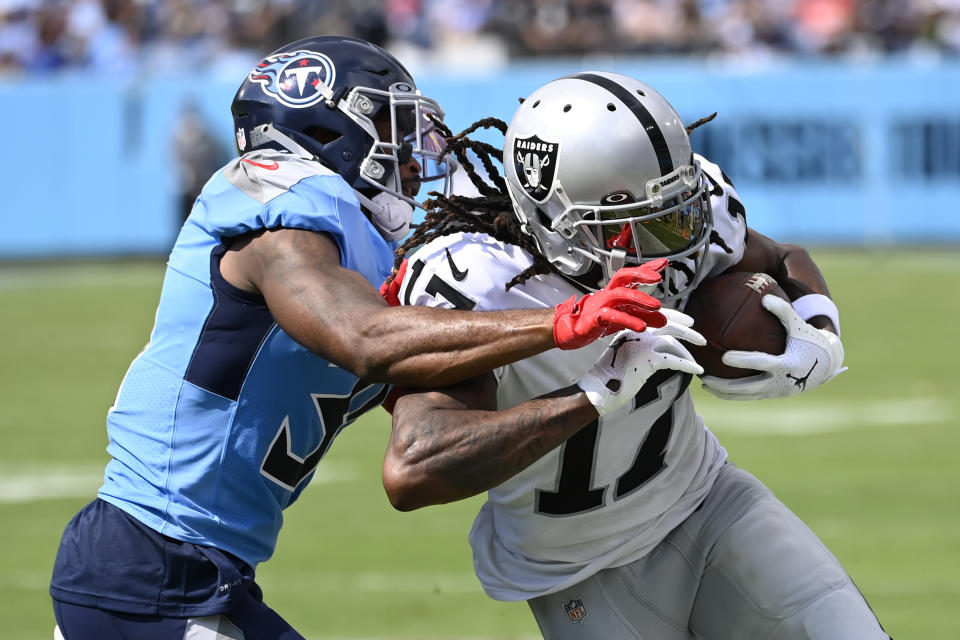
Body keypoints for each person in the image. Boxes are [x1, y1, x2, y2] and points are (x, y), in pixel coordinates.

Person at [48, 40, 670, 640]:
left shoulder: (365, 251)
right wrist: (560, 323)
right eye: (390, 125)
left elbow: (418, 404)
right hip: (152, 564)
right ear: (323, 130)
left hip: (189, 569)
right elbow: (365, 339)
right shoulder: (284, 210)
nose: (411, 152)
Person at [382, 72, 891, 638]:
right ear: (554, 221)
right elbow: (415, 469)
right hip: (576, 568)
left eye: (673, 212)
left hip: (707, 499)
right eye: (629, 225)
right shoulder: (479, 281)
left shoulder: (691, 222)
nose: (671, 244)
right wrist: (592, 396)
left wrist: (818, 327)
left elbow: (778, 255)